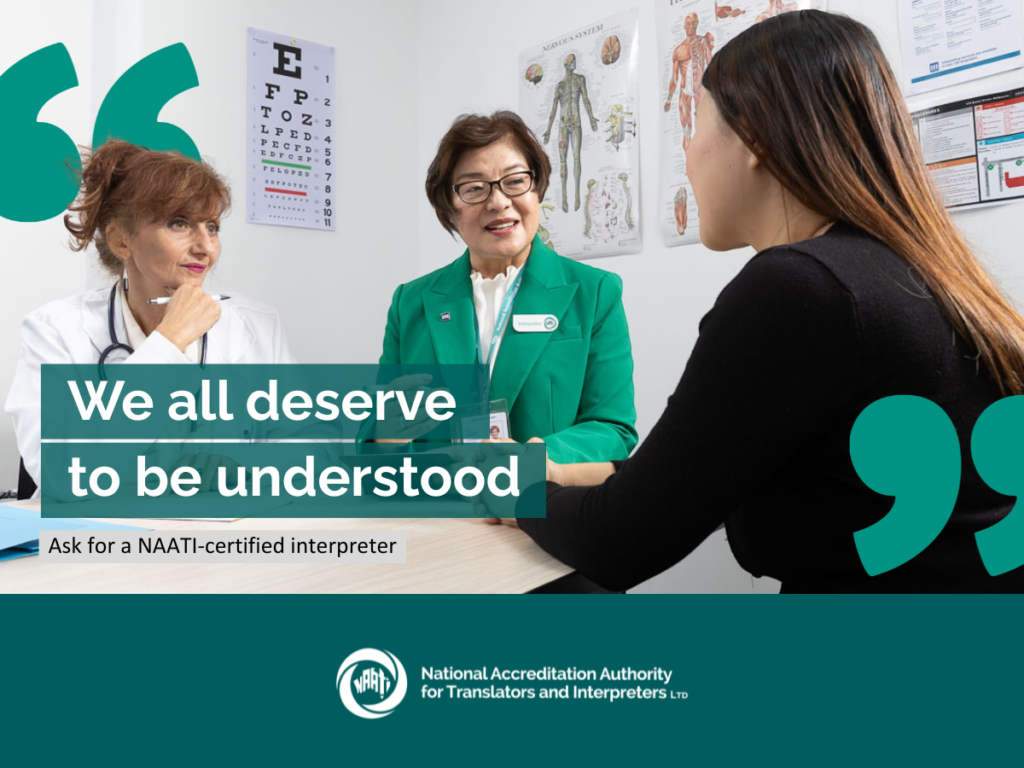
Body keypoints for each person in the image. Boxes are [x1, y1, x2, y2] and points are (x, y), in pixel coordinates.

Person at [492, 11, 1024, 593]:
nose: (687, 152)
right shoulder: (926, 274)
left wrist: (514, 488)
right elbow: (703, 463)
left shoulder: (799, 289)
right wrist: (561, 474)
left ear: (756, 140)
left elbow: (617, 541)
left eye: (694, 126)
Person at [6, 141, 297, 496]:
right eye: (179, 223)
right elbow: (62, 474)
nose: (206, 247)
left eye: (212, 227)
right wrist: (169, 342)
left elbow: (315, 447)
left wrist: (244, 468)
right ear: (121, 240)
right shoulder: (56, 329)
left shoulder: (256, 325)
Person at [379, 111, 637, 463]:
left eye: (515, 181)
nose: (498, 202)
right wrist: (384, 434)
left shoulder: (594, 292)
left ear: (537, 189)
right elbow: (377, 438)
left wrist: (533, 458)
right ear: (449, 208)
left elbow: (612, 430)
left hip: (542, 495)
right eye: (474, 188)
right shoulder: (410, 302)